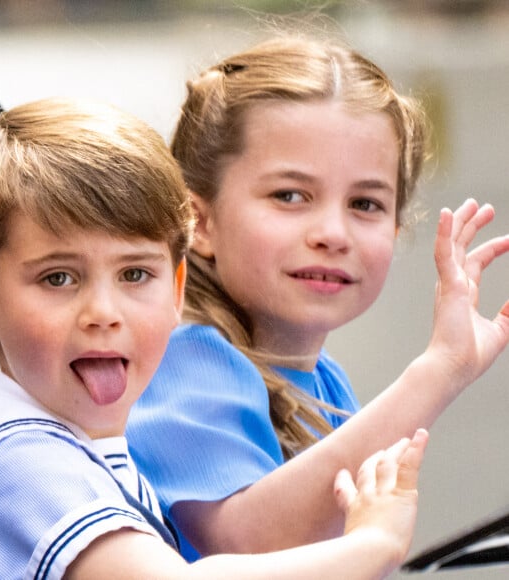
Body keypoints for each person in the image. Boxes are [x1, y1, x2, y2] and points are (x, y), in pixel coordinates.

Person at [0, 96, 430, 579]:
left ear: (175, 289)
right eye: (59, 278)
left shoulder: (66, 435)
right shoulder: (21, 464)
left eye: (134, 276)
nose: (103, 314)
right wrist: (372, 546)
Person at [126, 33, 509, 560]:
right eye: (290, 195)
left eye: (365, 204)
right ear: (200, 222)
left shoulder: (325, 380)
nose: (333, 232)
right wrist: (442, 368)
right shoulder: (184, 358)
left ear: (398, 229)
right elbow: (248, 544)